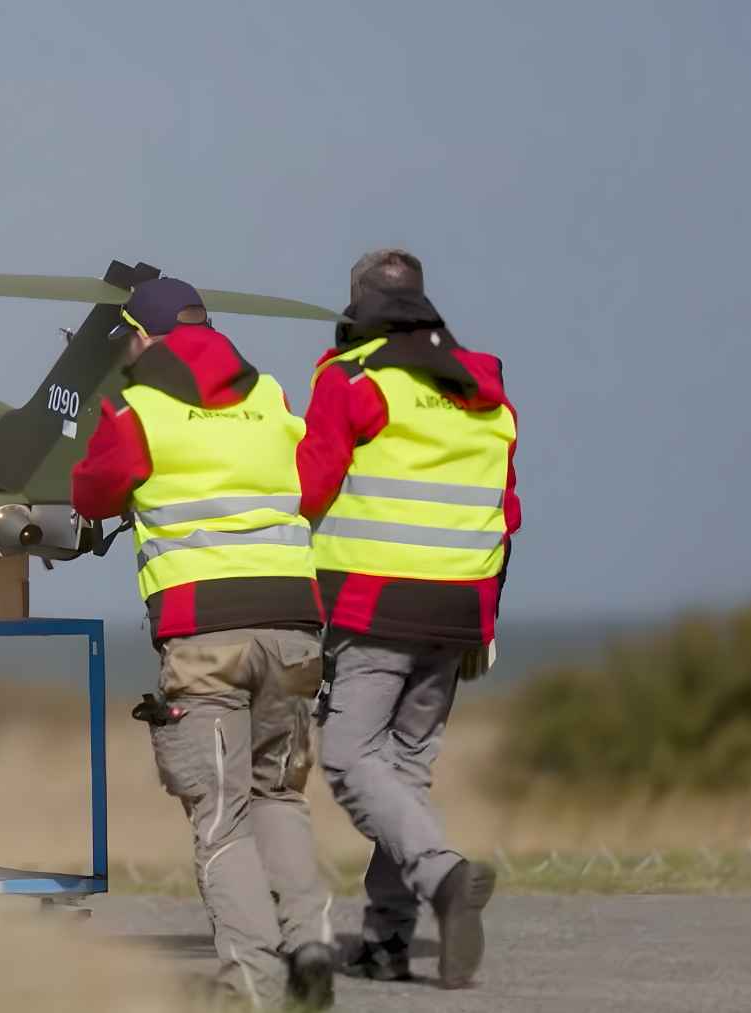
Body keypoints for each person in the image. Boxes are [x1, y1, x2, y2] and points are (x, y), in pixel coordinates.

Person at [73, 277, 335, 1010]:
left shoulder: (138, 411)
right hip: (294, 625)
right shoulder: (271, 397)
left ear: (142, 338)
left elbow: (91, 493)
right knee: (279, 793)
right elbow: (311, 489)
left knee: (221, 818)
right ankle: (311, 945)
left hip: (204, 634)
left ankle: (252, 983)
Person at [297, 249, 519, 989]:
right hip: (460, 609)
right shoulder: (482, 389)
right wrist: (486, 620)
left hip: (374, 606)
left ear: (356, 303)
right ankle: (389, 940)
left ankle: (444, 875)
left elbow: (309, 486)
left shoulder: (352, 378)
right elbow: (507, 509)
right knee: (404, 770)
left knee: (348, 757)